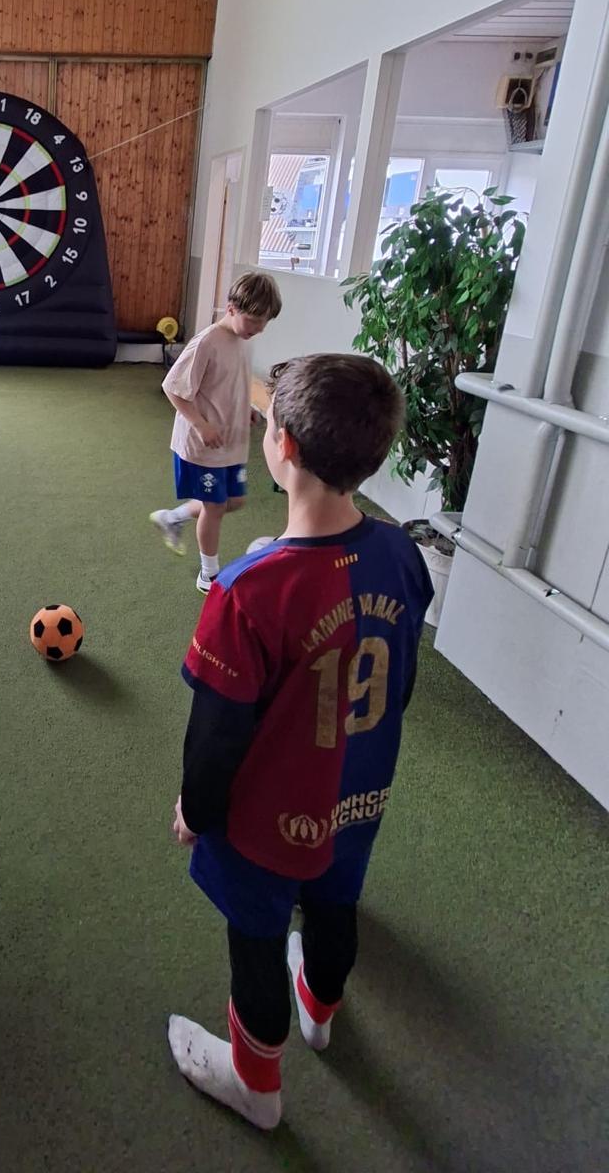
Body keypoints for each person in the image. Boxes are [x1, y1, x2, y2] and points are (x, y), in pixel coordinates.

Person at [166, 353, 434, 1131]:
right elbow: (403, 675)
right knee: (335, 898)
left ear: (279, 446)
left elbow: (215, 737)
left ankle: (258, 1085)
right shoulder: (401, 555)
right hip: (360, 790)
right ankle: (320, 1006)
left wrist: (196, 808)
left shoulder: (245, 593)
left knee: (255, 936)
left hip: (264, 821)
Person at [149, 272, 283, 592]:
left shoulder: (242, 340)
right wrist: (201, 424)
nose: (259, 329)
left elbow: (228, 383)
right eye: (253, 320)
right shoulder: (207, 342)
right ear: (232, 308)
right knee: (215, 507)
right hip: (201, 445)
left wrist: (246, 409)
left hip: (229, 443)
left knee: (233, 501)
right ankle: (208, 574)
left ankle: (173, 517)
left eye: (264, 322)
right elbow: (174, 389)